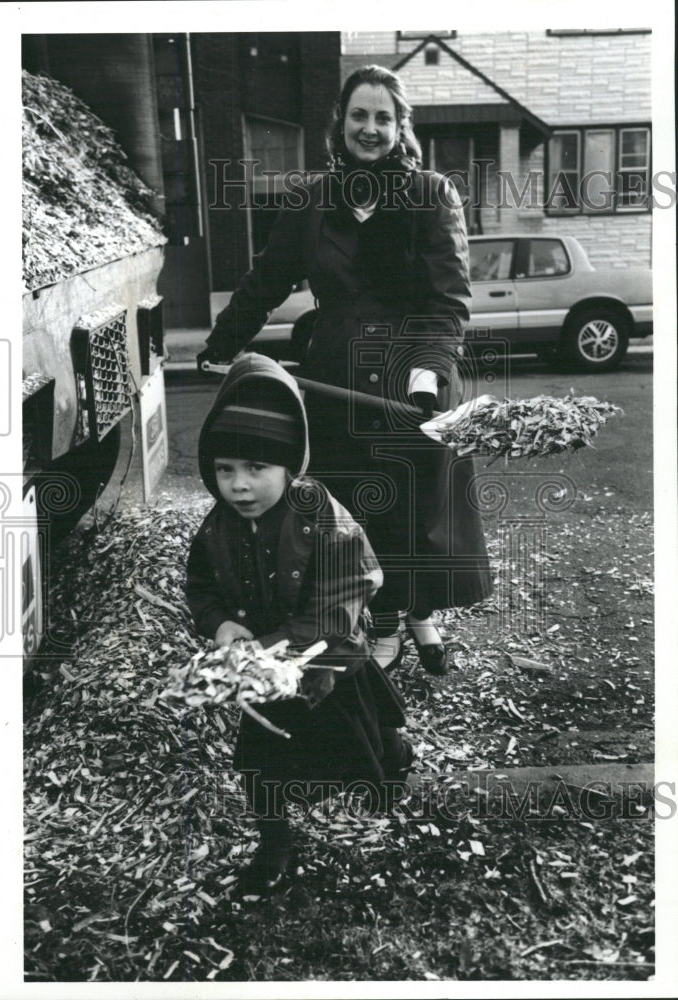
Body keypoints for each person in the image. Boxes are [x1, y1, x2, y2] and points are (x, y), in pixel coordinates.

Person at [198, 64, 492, 677]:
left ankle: (415, 614)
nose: (370, 128)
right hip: (338, 377)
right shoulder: (311, 200)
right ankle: (384, 620)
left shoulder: (432, 194)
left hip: (415, 379)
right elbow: (268, 278)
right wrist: (224, 339)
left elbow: (449, 299)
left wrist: (429, 372)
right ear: (341, 123)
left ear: (400, 126)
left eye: (383, 117)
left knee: (414, 509)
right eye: (359, 115)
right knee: (357, 508)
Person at [186, 352, 412, 894]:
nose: (239, 486)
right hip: (264, 675)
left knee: (357, 748)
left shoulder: (324, 520)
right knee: (260, 767)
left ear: (291, 466)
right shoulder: (219, 524)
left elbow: (333, 611)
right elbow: (202, 586)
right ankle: (274, 842)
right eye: (225, 470)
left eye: (256, 469)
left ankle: (395, 756)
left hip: (327, 665)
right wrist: (220, 627)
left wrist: (258, 652)